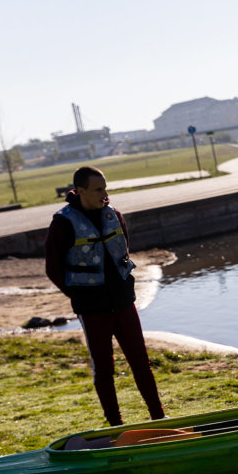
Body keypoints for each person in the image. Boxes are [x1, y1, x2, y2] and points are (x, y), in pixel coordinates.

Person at [45, 166, 166, 426]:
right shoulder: (63, 223)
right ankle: (116, 425)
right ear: (81, 191)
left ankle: (159, 417)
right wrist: (79, 295)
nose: (105, 194)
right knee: (104, 370)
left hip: (123, 303)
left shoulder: (115, 215)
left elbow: (123, 250)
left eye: (106, 187)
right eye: (99, 189)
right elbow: (53, 269)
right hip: (92, 310)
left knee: (141, 363)